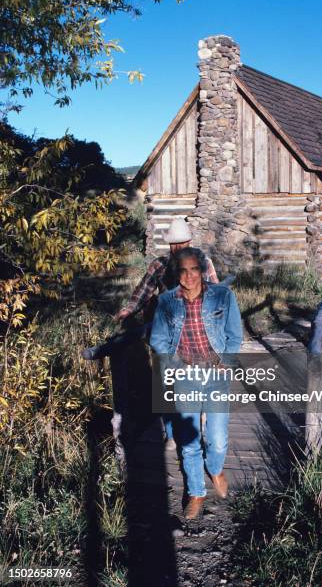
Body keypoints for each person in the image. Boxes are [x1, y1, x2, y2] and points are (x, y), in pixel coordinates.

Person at [82, 218, 219, 449]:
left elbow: (215, 293)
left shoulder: (204, 263)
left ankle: (199, 429)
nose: (178, 248)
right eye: (174, 244)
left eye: (181, 243)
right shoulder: (159, 265)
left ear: (189, 241)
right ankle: (172, 434)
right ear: (169, 245)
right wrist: (128, 309)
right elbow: (143, 291)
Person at [150, 247, 243, 520]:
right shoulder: (167, 301)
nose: (189, 276)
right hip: (186, 377)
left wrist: (226, 363)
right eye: (183, 270)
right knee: (188, 441)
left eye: (194, 269)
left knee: (217, 439)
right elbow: (158, 340)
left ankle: (214, 469)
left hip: (216, 375)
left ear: (202, 270)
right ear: (176, 273)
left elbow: (234, 335)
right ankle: (196, 491)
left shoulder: (222, 296)